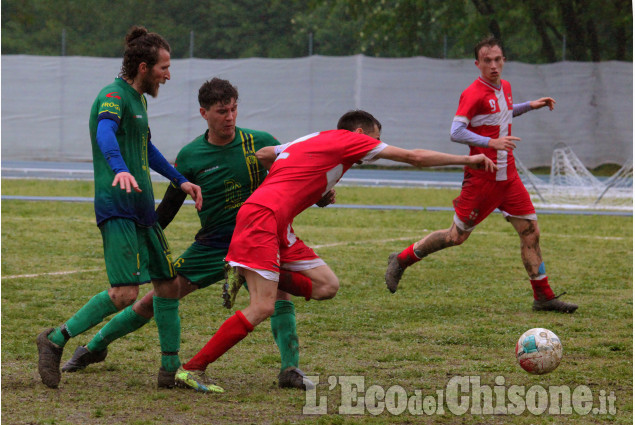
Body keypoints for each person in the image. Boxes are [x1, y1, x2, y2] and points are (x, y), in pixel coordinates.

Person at [172, 109, 497, 388]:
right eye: (373, 139)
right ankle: (192, 369)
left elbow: (266, 153)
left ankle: (249, 273)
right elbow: (415, 157)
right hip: (264, 218)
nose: (372, 147)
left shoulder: (313, 139)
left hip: (275, 221)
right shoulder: (352, 140)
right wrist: (469, 159)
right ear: (360, 133)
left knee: (327, 285)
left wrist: (312, 188)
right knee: (262, 307)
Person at [59, 77, 318, 391]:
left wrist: (319, 196)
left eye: (234, 109)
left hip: (256, 240)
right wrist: (145, 238)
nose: (230, 117)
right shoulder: (191, 155)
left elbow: (293, 177)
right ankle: (94, 348)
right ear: (203, 113)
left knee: (278, 294)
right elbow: (168, 207)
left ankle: (289, 369)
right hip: (213, 246)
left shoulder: (259, 142)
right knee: (154, 299)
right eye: (222, 111)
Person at [36, 26, 208, 391]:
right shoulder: (112, 96)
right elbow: (104, 134)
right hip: (117, 208)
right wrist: (120, 168)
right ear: (144, 66)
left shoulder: (139, 100)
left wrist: (180, 180)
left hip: (144, 209)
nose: (168, 74)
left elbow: (147, 147)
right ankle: (55, 338)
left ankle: (169, 370)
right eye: (164, 67)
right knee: (124, 294)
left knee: (167, 284)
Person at [384, 35, 578, 314]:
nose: (493, 65)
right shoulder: (473, 93)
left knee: (531, 231)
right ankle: (401, 260)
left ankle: (543, 296)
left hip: (508, 177)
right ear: (478, 64)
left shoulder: (505, 87)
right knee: (455, 237)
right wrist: (490, 144)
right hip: (482, 178)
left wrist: (530, 105)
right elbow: (455, 132)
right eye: (487, 61)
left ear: (504, 61)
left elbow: (503, 113)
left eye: (498, 59)